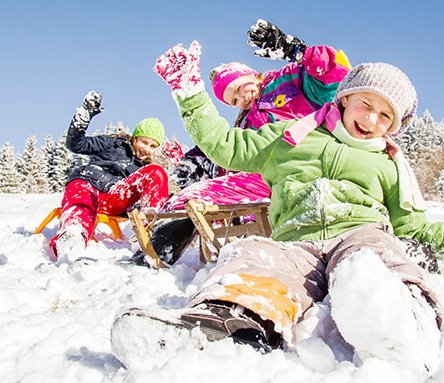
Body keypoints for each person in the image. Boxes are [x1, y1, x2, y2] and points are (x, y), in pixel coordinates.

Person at [111, 42, 444, 374]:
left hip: (362, 232)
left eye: (387, 115)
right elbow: (225, 145)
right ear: (345, 100)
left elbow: (416, 230)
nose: (373, 120)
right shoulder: (291, 136)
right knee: (254, 254)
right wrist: (189, 92)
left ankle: (403, 322)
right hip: (298, 238)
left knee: (373, 260)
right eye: (366, 104)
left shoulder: (389, 162)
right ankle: (215, 325)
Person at [130, 20, 352, 267]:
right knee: (198, 196)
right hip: (265, 179)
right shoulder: (245, 123)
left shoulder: (289, 81)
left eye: (239, 88)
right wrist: (195, 161)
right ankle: (152, 251)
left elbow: (337, 76)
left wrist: (296, 51)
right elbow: (234, 152)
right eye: (233, 100)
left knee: (203, 195)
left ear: (249, 74)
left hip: (304, 170)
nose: (241, 98)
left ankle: (155, 253)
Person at [50, 90, 169, 263]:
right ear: (134, 138)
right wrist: (84, 116)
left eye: (152, 146)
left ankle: (147, 235)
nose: (147, 149)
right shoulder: (113, 143)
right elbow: (76, 144)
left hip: (114, 197)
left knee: (157, 171)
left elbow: (144, 198)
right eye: (144, 142)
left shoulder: (144, 169)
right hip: (88, 184)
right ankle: (73, 235)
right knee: (82, 201)